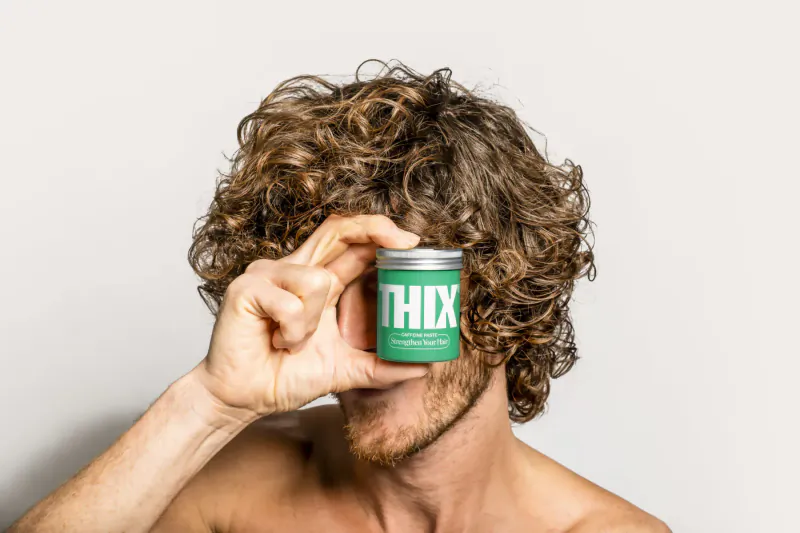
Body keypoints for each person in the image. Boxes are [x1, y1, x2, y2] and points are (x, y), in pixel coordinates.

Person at [9, 62, 669, 533]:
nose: (357, 334)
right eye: (333, 289)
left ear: (510, 298)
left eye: (399, 289)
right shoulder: (232, 489)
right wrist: (209, 404)